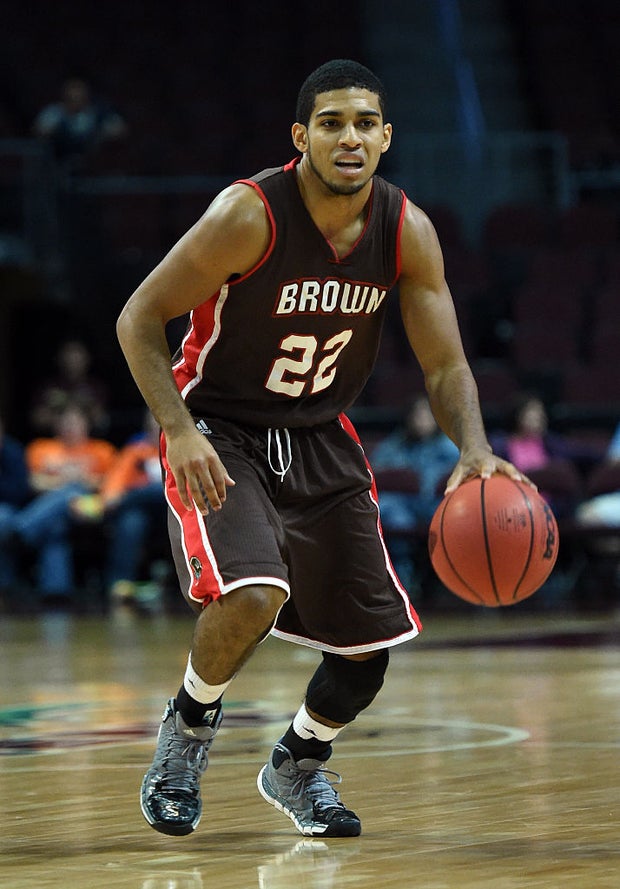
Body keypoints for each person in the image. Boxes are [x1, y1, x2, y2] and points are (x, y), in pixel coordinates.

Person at [116, 59, 524, 839]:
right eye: (332, 123)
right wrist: (178, 429)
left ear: (386, 137)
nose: (350, 137)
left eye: (365, 123)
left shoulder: (406, 230)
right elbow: (139, 316)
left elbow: (445, 365)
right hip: (220, 429)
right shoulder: (248, 214)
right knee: (253, 593)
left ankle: (298, 762)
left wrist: (474, 446)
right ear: (302, 137)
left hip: (319, 434)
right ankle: (186, 732)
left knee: (368, 650)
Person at [12, 402, 116, 607]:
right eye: (65, 422)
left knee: (73, 491)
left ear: (86, 425)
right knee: (55, 526)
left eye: (75, 422)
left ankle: (20, 530)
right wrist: (69, 484)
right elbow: (33, 482)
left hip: (90, 509)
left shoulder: (102, 450)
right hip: (52, 510)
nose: (70, 427)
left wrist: (74, 484)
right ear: (56, 425)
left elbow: (110, 483)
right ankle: (56, 591)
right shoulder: (41, 448)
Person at [71, 409, 167, 606]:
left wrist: (112, 501)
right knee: (131, 521)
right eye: (152, 422)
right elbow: (117, 479)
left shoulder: (181, 449)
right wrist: (110, 497)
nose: (155, 425)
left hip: (178, 508)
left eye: (159, 421)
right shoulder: (136, 451)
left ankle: (105, 505)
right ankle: (119, 583)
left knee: (158, 490)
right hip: (144, 512)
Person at [371, 395, 459, 589]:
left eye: (427, 414)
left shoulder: (448, 447)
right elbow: (375, 472)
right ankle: (403, 578)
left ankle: (444, 581)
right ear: (408, 418)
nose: (422, 420)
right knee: (393, 513)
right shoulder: (395, 445)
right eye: (417, 415)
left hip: (435, 505)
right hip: (404, 507)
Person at [32, 76, 127, 174]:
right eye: (72, 97)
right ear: (65, 97)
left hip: (91, 163)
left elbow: (120, 129)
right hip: (59, 162)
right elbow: (40, 131)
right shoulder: (54, 112)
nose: (76, 99)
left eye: (79, 96)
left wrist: (102, 131)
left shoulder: (97, 113)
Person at [29, 339, 110, 437]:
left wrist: (83, 412)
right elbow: (37, 419)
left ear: (87, 359)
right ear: (58, 359)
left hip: (87, 441)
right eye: (68, 356)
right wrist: (62, 419)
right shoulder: (48, 386)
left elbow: (101, 421)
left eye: (77, 357)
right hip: (53, 441)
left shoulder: (96, 387)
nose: (72, 361)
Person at [0, 415, 31, 603]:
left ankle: (4, 586)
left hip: (10, 508)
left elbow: (19, 492)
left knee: (2, 519)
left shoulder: (13, 452)